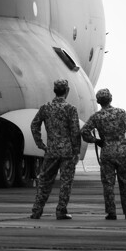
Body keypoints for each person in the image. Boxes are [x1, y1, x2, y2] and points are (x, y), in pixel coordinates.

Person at [30, 79, 81, 220]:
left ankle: (36, 211)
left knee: (45, 181)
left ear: (54, 90)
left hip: (51, 150)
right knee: (66, 182)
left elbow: (34, 125)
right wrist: (76, 151)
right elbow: (75, 132)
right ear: (67, 91)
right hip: (67, 151)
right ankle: (61, 211)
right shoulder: (70, 109)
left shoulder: (45, 108)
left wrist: (40, 143)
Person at [81, 88, 126, 220]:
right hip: (122, 153)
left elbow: (84, 132)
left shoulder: (96, 117)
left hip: (106, 153)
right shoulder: (121, 112)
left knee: (108, 184)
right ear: (110, 98)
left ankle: (111, 213)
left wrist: (96, 141)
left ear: (99, 101)